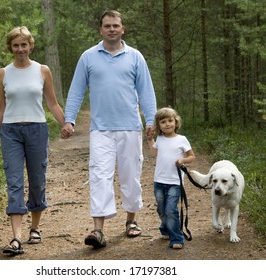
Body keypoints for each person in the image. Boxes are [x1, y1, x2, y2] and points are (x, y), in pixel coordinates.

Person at [61, 10, 157, 249]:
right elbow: (76, 91)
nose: (112, 29)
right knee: (99, 176)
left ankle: (131, 221)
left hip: (130, 128)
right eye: (107, 26)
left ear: (122, 29)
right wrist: (69, 120)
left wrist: (151, 121)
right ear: (100, 30)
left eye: (116, 25)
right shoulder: (88, 57)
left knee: (131, 176)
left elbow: (146, 91)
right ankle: (98, 229)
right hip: (100, 130)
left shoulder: (135, 57)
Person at [0, 26, 67, 255]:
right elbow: (0, 108)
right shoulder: (3, 73)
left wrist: (65, 123)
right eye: (16, 45)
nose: (20, 49)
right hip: (10, 132)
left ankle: (35, 227)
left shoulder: (42, 71)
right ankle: (16, 238)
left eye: (24, 45)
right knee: (14, 181)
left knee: (37, 179)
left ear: (30, 46)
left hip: (37, 129)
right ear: (10, 47)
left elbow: (52, 103)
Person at [146, 107, 195, 249]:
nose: (167, 124)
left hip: (175, 182)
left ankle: (176, 238)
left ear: (176, 122)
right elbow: (155, 153)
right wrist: (150, 140)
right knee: (161, 209)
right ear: (159, 125)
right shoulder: (160, 139)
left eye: (170, 121)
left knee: (171, 209)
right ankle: (166, 227)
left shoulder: (182, 139)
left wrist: (182, 160)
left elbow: (192, 156)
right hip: (159, 181)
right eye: (163, 122)